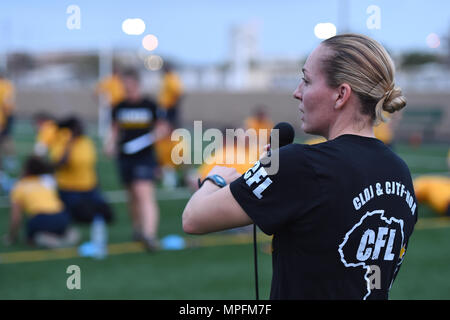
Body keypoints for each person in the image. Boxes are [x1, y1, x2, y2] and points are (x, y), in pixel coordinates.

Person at [182, 33, 417, 300]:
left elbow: (194, 218)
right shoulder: (400, 171)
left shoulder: (301, 164)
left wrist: (216, 179)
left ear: (341, 95)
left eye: (306, 80)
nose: (297, 92)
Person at [104, 68, 167, 251]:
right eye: (125, 85)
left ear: (138, 84)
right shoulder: (119, 106)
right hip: (125, 157)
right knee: (131, 195)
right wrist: (110, 144)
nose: (127, 88)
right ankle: (138, 229)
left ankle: (150, 234)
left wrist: (156, 134)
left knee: (144, 193)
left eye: (130, 84)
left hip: (145, 156)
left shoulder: (150, 105)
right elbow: (115, 130)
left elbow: (162, 127)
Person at [3, 156, 79, 248]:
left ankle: (48, 239)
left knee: (30, 236)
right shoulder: (48, 180)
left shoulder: (19, 186)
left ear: (26, 169)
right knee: (63, 229)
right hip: (62, 216)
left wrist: (11, 237)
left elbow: (16, 217)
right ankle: (64, 235)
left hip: (41, 219)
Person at [49, 116, 114, 224]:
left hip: (89, 188)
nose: (83, 128)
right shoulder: (61, 141)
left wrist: (97, 186)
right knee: (83, 215)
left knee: (107, 214)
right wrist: (70, 144)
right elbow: (60, 164)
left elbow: (92, 166)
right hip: (70, 189)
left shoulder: (87, 142)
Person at [158, 62, 183, 128]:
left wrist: (173, 102)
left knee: (170, 123)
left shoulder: (171, 78)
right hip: (167, 106)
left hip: (170, 106)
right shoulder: (168, 77)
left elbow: (177, 91)